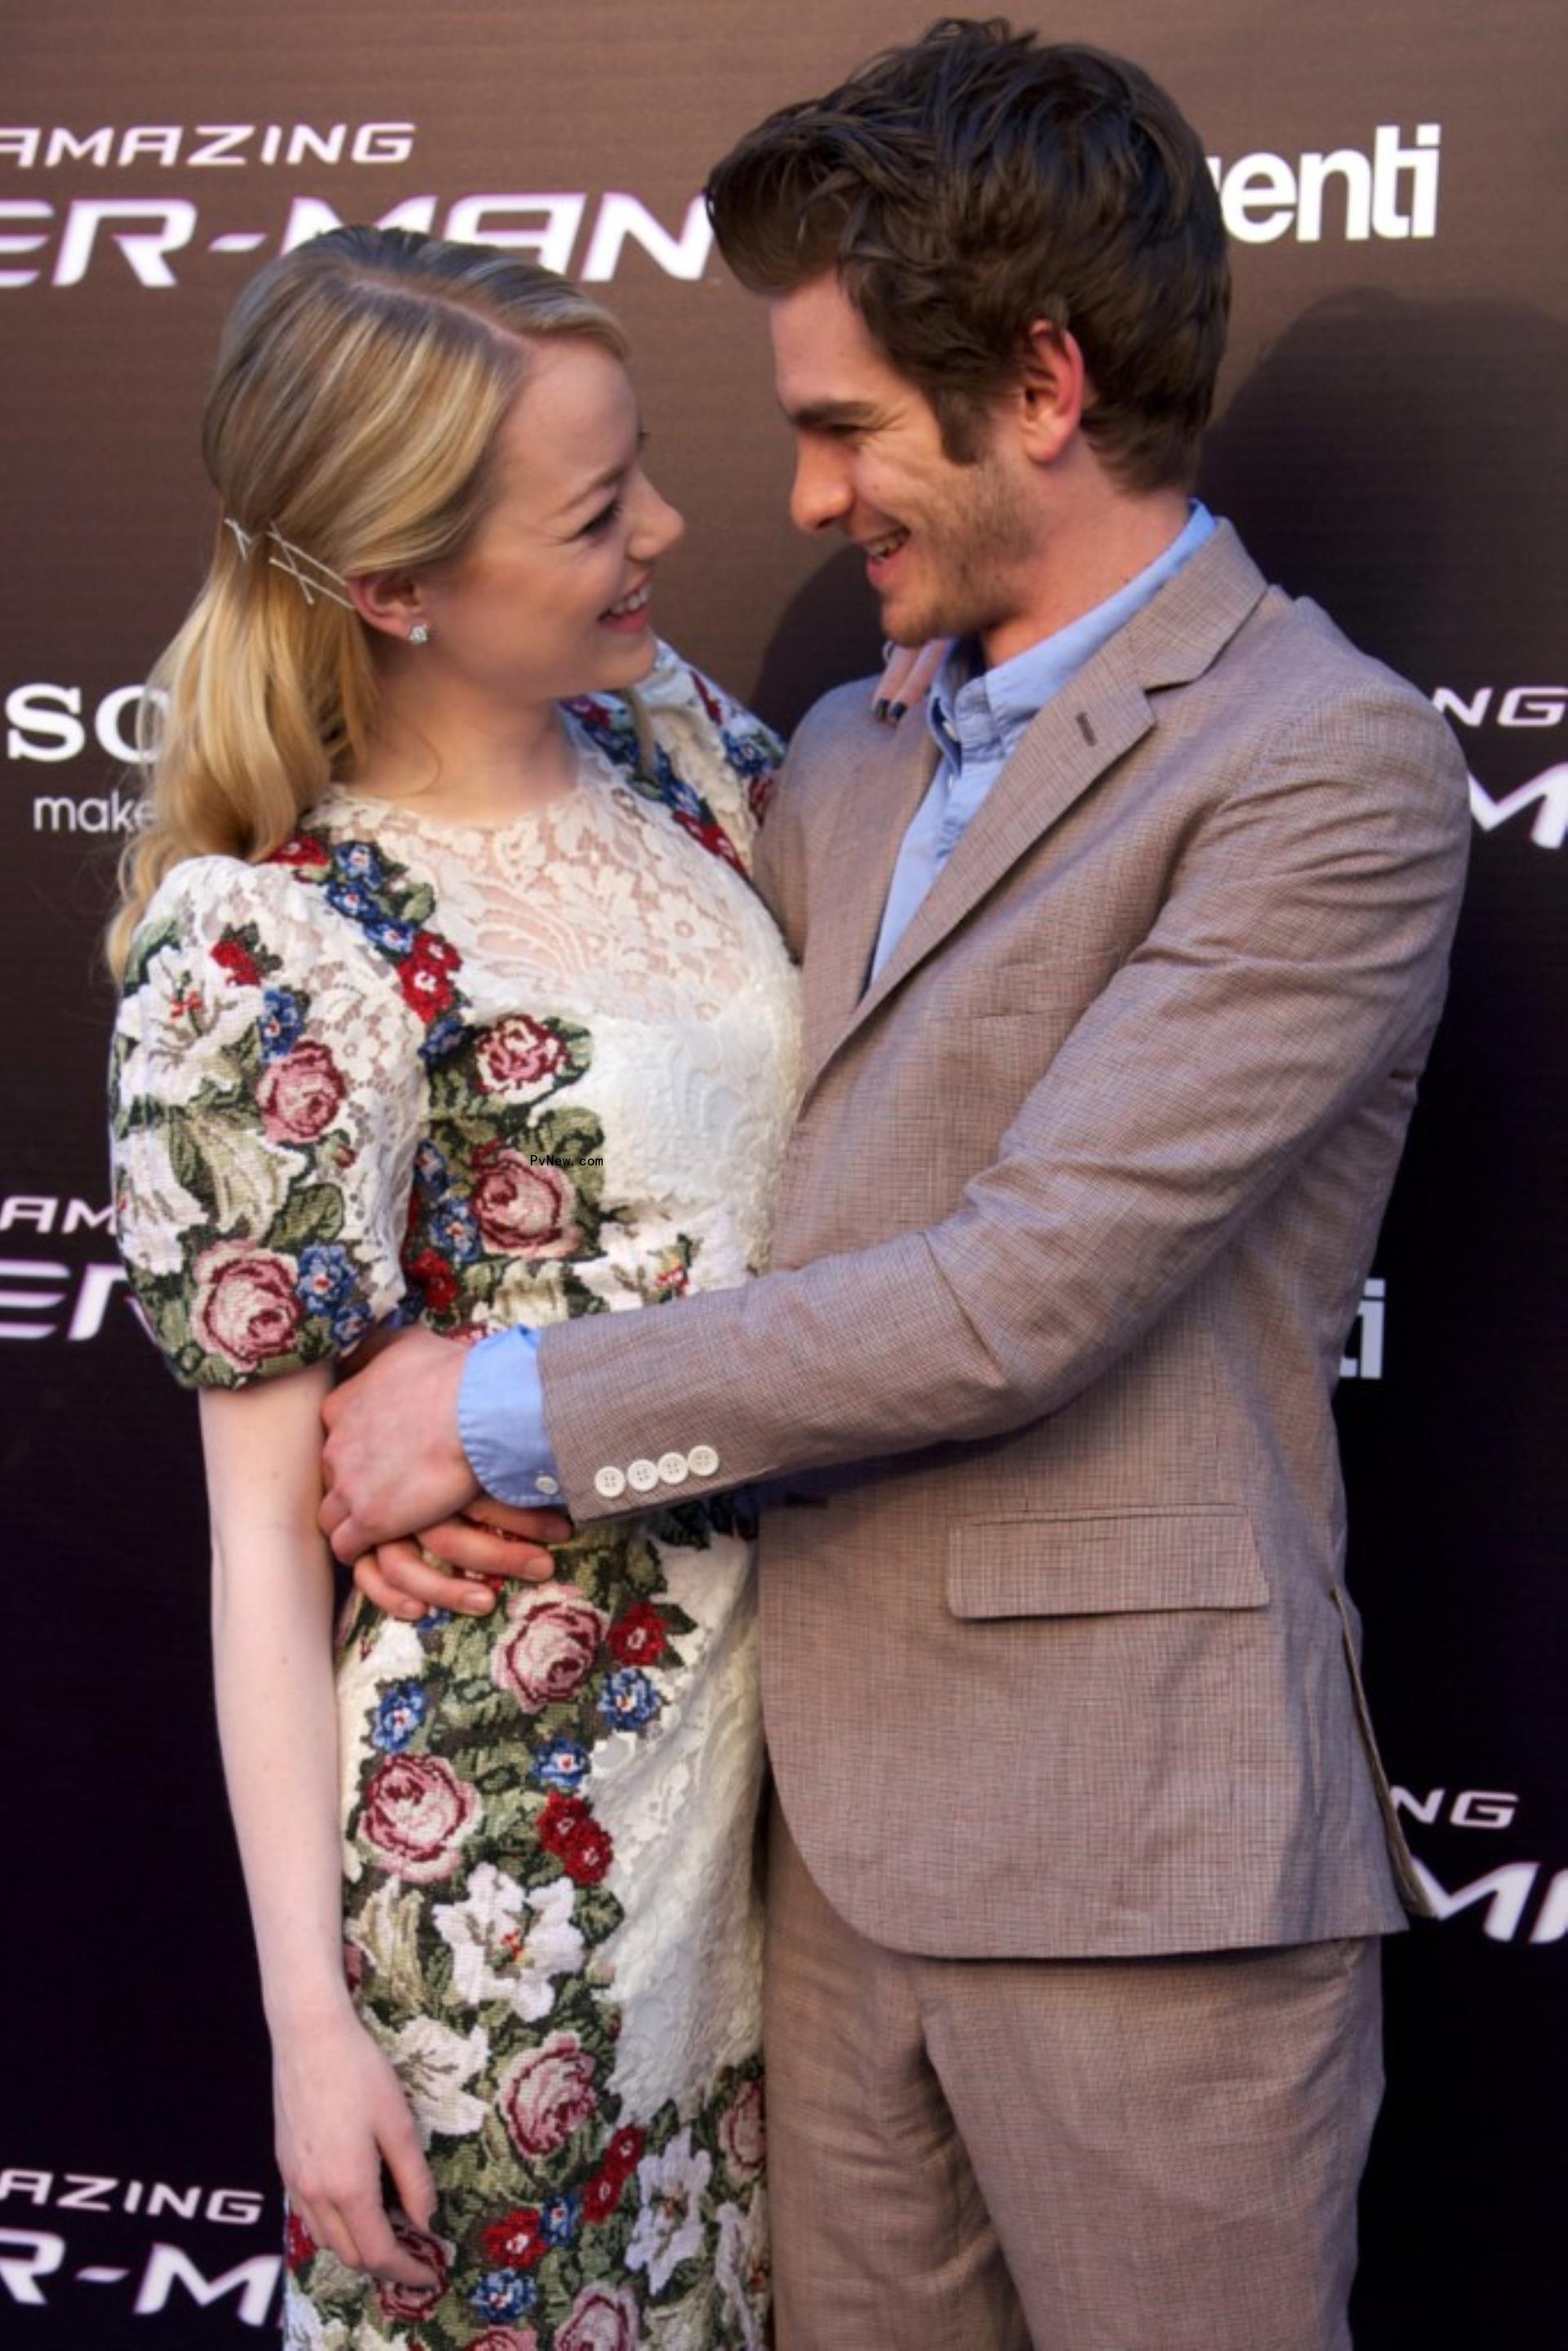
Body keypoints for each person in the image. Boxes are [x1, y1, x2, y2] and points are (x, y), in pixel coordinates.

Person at [329, 24, 1473, 2351]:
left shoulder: (1322, 764)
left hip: (1142, 1866)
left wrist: (498, 1411)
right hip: (807, 1856)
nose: (803, 496)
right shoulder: (836, 749)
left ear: (1041, 384)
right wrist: (398, 1407)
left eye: (846, 425)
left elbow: (1023, 1292)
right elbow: (640, 1126)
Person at [108, 224, 791, 2350]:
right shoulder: (280, 945)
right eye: (598, 515)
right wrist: (311, 2033)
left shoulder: (680, 745)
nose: (671, 531)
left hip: (780, 1825)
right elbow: (253, 1548)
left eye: (645, 468)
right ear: (395, 586)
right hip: (498, 1901)